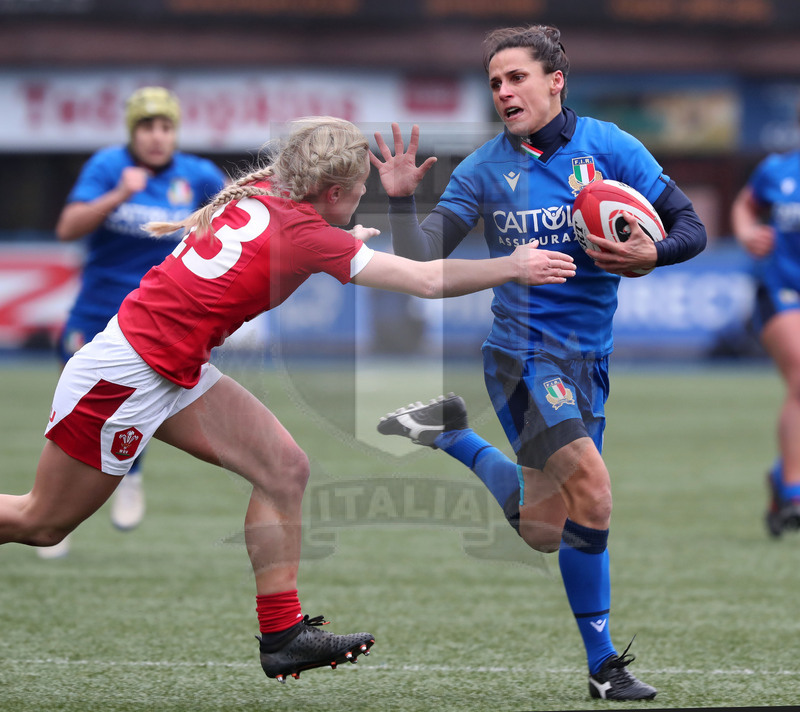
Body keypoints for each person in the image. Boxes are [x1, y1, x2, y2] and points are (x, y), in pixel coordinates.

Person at [0, 116, 576, 683]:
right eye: (356, 195)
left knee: (283, 469)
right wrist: (513, 265)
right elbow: (426, 281)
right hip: (125, 379)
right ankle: (282, 633)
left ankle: (282, 636)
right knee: (42, 522)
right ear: (330, 192)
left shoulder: (273, 191)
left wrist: (339, 239)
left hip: (169, 366)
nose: (358, 204)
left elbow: (280, 242)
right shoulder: (307, 234)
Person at [371, 25, 706, 702]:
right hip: (524, 359)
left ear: (556, 80)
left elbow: (689, 225)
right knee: (597, 492)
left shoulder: (611, 147)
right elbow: (423, 254)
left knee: (542, 531)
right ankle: (604, 667)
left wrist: (653, 254)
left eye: (516, 77)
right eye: (495, 82)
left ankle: (451, 433)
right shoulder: (485, 168)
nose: (503, 91)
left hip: (589, 362)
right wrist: (403, 200)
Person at [39, 87, 228, 559]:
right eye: (147, 127)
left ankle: (131, 476)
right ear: (132, 131)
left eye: (165, 127)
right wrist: (122, 192)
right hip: (96, 310)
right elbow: (68, 228)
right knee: (75, 411)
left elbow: (232, 222)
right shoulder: (106, 167)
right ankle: (47, 517)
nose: (157, 136)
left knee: (139, 405)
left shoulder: (199, 174)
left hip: (160, 317)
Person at [731, 114, 800, 537]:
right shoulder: (778, 170)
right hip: (780, 289)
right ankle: (794, 491)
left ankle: (780, 475)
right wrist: (745, 233)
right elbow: (745, 203)